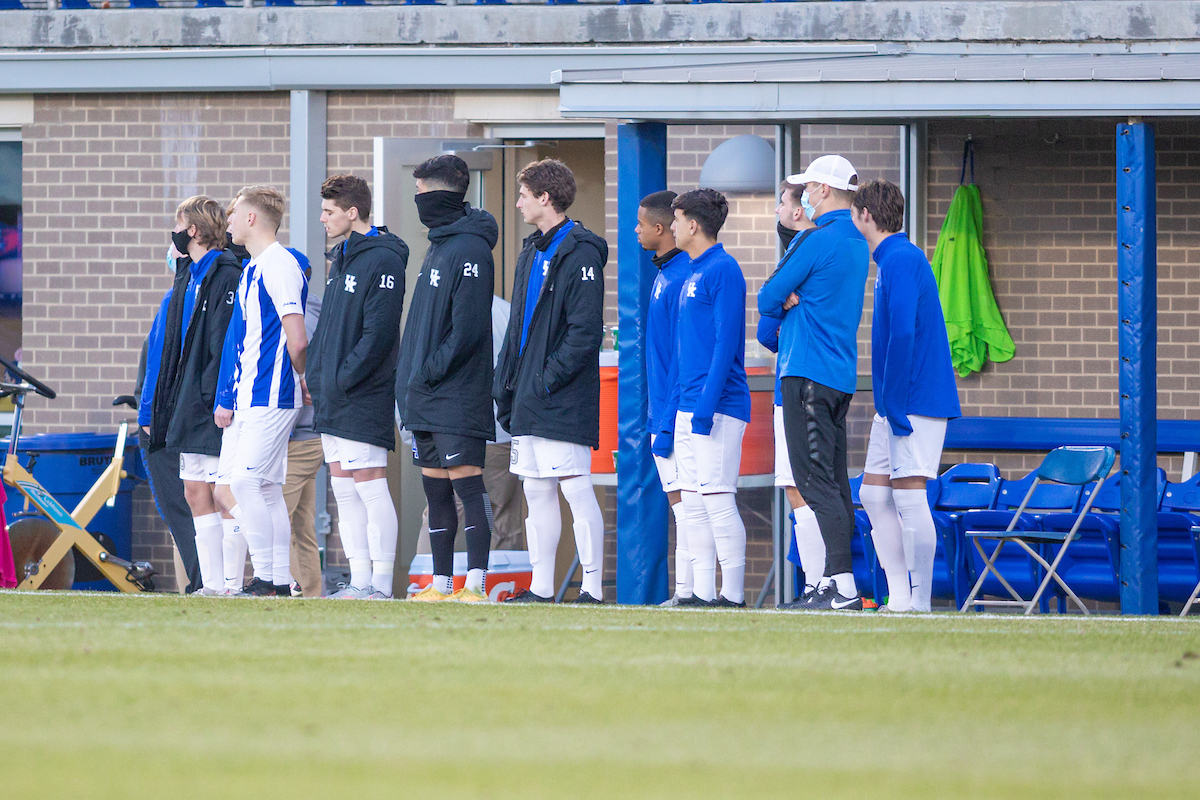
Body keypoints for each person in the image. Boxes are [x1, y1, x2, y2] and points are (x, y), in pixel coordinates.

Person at [757, 155, 870, 611]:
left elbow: (767, 297)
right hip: (838, 375)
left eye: (808, 187)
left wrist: (786, 299)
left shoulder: (817, 239)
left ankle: (841, 586)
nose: (804, 195)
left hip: (806, 372)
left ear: (823, 190)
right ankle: (834, 581)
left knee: (813, 481)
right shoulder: (858, 241)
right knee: (834, 482)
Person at [494, 158, 608, 604]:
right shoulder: (530, 250)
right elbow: (518, 325)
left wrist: (544, 380)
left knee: (576, 488)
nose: (519, 202)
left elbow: (584, 331)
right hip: (527, 395)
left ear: (545, 198)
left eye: (524, 194)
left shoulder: (580, 251)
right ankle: (542, 589)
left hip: (560, 397)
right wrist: (509, 383)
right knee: (535, 489)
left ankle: (593, 591)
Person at [851, 180, 961, 612]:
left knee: (910, 496)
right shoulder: (890, 259)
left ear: (867, 216)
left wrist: (893, 403)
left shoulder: (900, 259)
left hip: (914, 400)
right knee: (874, 495)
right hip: (895, 403)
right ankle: (899, 597)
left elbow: (903, 332)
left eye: (856, 212)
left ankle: (920, 602)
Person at [396, 155, 498, 604]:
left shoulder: (470, 249)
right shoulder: (439, 245)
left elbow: (469, 328)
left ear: (439, 195)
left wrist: (429, 371)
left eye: (420, 193)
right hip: (425, 396)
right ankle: (441, 586)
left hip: (456, 394)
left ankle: (474, 585)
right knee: (434, 490)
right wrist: (414, 381)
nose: (417, 202)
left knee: (466, 487)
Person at [308, 174, 408, 600]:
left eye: (329, 211)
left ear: (352, 212)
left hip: (362, 395)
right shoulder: (341, 256)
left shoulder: (383, 259)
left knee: (369, 486)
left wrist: (343, 377)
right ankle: (359, 581)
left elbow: (379, 333)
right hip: (333, 396)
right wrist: (319, 375)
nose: (322, 219)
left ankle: (382, 585)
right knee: (343, 490)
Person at [214, 185, 309, 598]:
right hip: (249, 394)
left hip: (272, 393)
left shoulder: (279, 264)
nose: (229, 222)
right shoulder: (253, 267)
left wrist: (302, 377)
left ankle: (271, 578)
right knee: (264, 487)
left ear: (251, 218)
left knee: (246, 484)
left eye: (233, 214)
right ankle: (276, 579)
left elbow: (297, 337)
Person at [147, 196, 244, 597]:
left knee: (225, 496)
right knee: (194, 491)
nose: (173, 229)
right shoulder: (186, 275)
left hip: (212, 404)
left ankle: (237, 584)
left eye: (178, 221)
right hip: (185, 401)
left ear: (192, 230)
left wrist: (218, 397)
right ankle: (212, 585)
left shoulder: (226, 273)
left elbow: (224, 344)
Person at [669, 188, 752, 608]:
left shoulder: (724, 269)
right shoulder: (691, 270)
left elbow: (725, 344)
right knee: (695, 503)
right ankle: (701, 592)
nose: (672, 227)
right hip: (687, 405)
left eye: (677, 219)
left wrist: (705, 406)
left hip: (717, 407)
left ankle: (732, 594)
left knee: (718, 499)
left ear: (694, 225)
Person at [756, 183, 824, 598]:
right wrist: (779, 306)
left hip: (808, 388)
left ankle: (822, 583)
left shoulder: (814, 253)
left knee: (807, 485)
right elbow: (767, 330)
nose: (777, 208)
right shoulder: (791, 253)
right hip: (788, 387)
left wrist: (782, 306)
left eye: (782, 202)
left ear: (799, 211)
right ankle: (817, 583)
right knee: (792, 485)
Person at [638, 190, 701, 608]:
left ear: (662, 229)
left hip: (672, 414)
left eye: (642, 224)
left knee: (687, 506)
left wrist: (666, 419)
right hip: (660, 411)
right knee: (681, 506)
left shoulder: (680, 277)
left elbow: (682, 357)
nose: (636, 231)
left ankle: (693, 592)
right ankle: (688, 592)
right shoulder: (665, 273)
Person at [283, 270, 325, 598]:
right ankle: (311, 594)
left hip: (299, 435)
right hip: (307, 433)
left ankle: (277, 585)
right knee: (301, 527)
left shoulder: (301, 319)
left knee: (272, 518)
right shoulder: (314, 311)